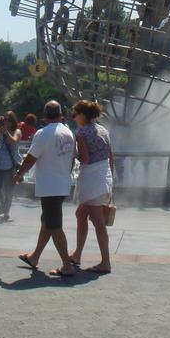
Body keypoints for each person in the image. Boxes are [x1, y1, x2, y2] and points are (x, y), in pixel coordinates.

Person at [13, 101, 76, 277]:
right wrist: (64, 175)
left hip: (49, 186)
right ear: (61, 114)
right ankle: (35, 257)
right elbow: (72, 160)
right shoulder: (69, 133)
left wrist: (19, 174)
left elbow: (31, 157)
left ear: (45, 116)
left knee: (55, 225)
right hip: (62, 184)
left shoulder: (43, 133)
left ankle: (67, 265)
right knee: (47, 222)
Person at [68, 100, 114, 274]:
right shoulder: (103, 130)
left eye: (75, 114)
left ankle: (105, 262)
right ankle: (77, 254)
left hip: (92, 181)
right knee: (81, 214)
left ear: (82, 115)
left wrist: (73, 154)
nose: (74, 118)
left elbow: (85, 159)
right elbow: (111, 157)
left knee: (98, 221)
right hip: (103, 178)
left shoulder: (82, 133)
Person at [0, 111, 21, 220]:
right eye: (5, 120)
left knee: (9, 189)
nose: (6, 122)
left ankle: (6, 212)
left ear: (13, 121)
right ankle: (2, 207)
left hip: (10, 165)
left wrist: (6, 132)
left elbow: (13, 141)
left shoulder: (17, 131)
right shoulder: (0, 130)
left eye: (8, 120)